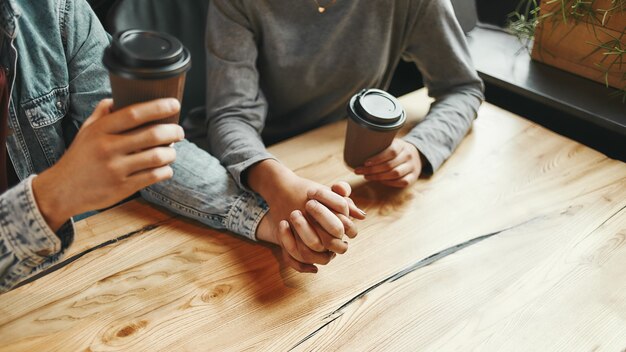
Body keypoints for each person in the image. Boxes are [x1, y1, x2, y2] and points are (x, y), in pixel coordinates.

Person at [0, 0, 364, 293]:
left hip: (72, 281)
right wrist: (54, 195)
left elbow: (144, 146)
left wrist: (266, 216)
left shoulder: (53, 10)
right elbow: (231, 115)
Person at [185, 0, 484, 255]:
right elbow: (232, 114)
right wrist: (276, 185)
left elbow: (461, 88)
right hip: (237, 164)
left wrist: (420, 148)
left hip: (337, 163)